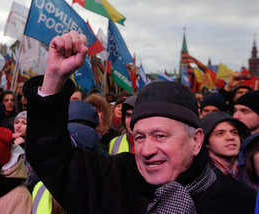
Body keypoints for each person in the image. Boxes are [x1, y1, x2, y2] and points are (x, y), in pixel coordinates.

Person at [23, 31, 256, 213]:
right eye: (140, 137)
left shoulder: (241, 203)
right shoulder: (113, 179)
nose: (146, 150)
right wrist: (54, 77)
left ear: (196, 141)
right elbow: (48, 153)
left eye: (160, 136)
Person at [200, 111, 248, 179]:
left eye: (234, 132)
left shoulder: (251, 168)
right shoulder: (198, 174)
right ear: (206, 142)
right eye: (220, 133)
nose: (231, 137)